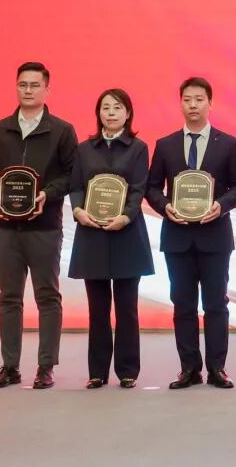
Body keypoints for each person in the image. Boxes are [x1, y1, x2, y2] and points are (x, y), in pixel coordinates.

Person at [0, 61, 78, 390]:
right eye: (23, 84)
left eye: (35, 85)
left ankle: (46, 367)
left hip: (44, 228)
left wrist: (47, 194)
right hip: (4, 229)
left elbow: (72, 175)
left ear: (47, 89)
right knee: (9, 297)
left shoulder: (62, 131)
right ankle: (10, 366)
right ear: (16, 87)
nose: (28, 90)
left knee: (47, 297)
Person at [146, 77, 236, 390]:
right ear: (180, 104)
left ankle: (217, 368)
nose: (193, 105)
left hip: (215, 236)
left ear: (210, 103)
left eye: (199, 99)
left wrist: (222, 206)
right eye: (188, 99)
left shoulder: (228, 143)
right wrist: (165, 206)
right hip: (177, 237)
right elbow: (152, 187)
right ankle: (189, 368)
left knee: (216, 304)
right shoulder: (166, 144)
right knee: (183, 304)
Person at [68, 88, 155, 389]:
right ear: (98, 113)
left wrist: (126, 216)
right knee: (98, 309)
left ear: (128, 113)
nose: (111, 113)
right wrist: (78, 210)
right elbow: (76, 186)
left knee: (127, 308)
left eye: (117, 108)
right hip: (91, 234)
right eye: (105, 108)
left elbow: (138, 188)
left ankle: (128, 370)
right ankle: (97, 372)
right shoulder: (84, 149)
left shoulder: (139, 148)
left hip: (126, 234)